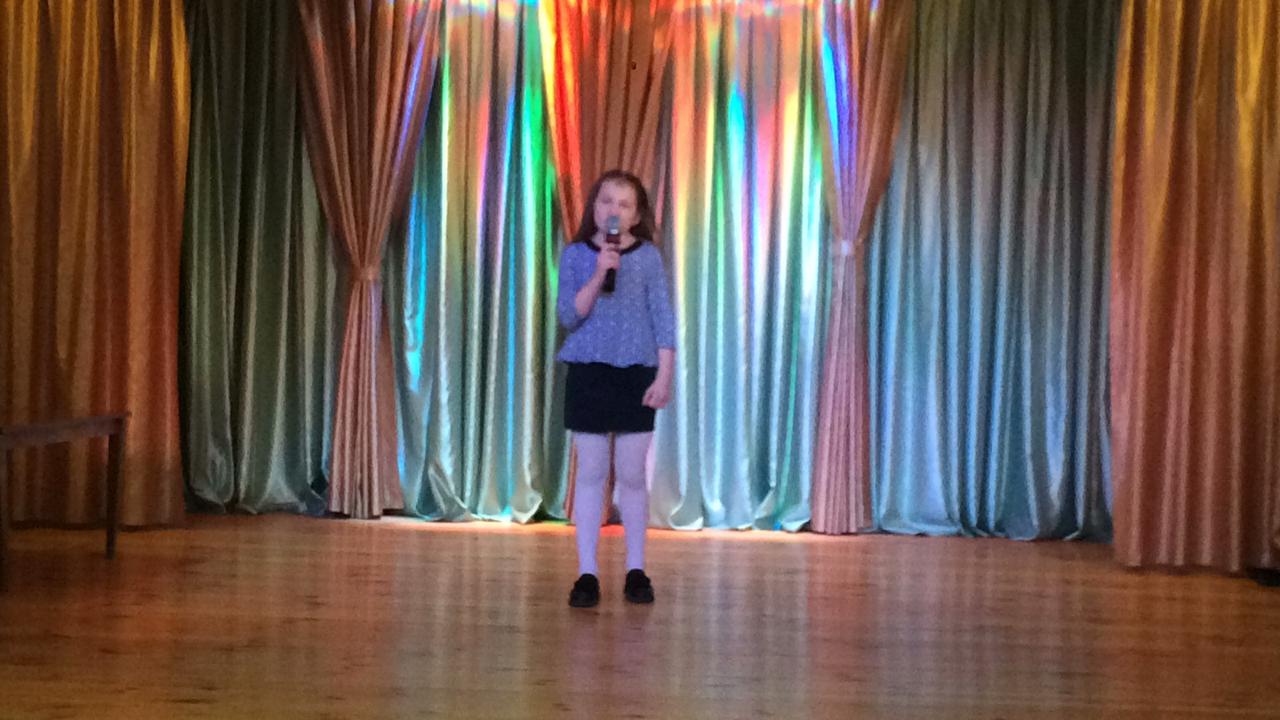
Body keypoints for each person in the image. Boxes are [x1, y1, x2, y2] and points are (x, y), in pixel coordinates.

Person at [556, 169, 676, 608]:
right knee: (590, 474)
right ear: (594, 207)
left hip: (635, 372)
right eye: (607, 201)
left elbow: (663, 318)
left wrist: (664, 376)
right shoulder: (575, 255)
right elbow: (569, 315)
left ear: (637, 215)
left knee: (631, 475)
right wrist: (598, 273)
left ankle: (635, 569)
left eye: (625, 204)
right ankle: (587, 573)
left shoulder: (647, 258)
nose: (614, 210)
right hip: (588, 372)